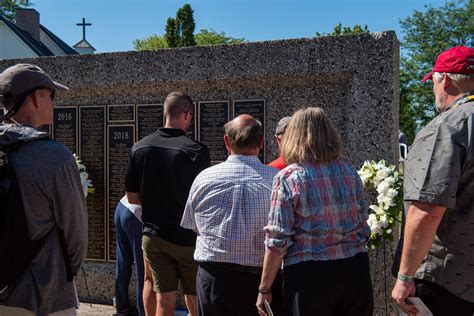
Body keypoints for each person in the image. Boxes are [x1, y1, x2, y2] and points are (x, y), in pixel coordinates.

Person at [256, 107, 373, 316]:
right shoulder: (349, 172)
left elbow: (277, 240)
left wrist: (264, 288)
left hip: (310, 276)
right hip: (355, 270)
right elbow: (363, 225)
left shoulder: (288, 178)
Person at [391, 46, 474, 315]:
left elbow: (427, 209)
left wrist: (404, 277)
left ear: (445, 80)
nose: (433, 91)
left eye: (433, 82)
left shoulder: (447, 127)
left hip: (448, 281)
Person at [0, 64, 88, 315]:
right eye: (51, 95)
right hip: (44, 295)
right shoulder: (53, 156)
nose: (53, 102)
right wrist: (63, 274)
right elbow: (76, 233)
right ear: (36, 97)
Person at [181, 114, 281, 316]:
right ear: (261, 142)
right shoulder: (277, 181)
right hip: (260, 280)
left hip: (214, 279)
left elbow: (193, 225)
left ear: (226, 141)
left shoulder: (204, 179)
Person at [125, 92, 210, 316]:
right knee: (193, 294)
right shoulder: (196, 151)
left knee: (157, 289)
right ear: (185, 114)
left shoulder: (139, 148)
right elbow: (202, 199)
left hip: (153, 235)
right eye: (190, 116)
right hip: (187, 238)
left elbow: (132, 197)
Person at [114, 196, 144, 316]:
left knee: (123, 261)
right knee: (143, 269)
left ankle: (121, 306)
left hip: (122, 206)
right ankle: (144, 310)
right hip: (137, 213)